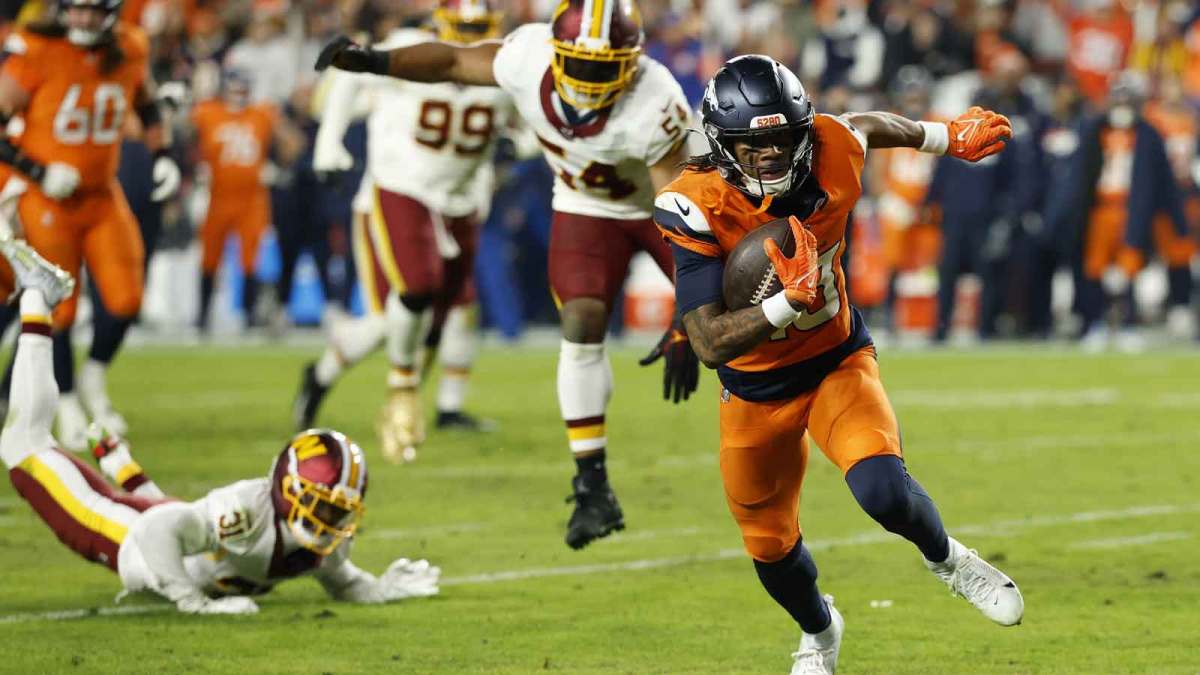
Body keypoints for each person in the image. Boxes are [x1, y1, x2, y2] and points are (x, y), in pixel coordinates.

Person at [653, 55, 1023, 674]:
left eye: (780, 138)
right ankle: (820, 634)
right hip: (752, 390)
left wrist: (943, 138)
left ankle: (951, 562)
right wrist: (780, 305)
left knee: (882, 490)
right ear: (722, 145)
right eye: (752, 144)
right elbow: (710, 343)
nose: (770, 154)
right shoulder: (693, 204)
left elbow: (866, 125)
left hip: (834, 360)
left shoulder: (830, 145)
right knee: (769, 546)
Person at [315, 0, 700, 549]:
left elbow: (679, 208)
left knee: (724, 322)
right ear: (556, 52)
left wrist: (690, 312)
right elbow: (451, 62)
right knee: (581, 322)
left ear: (631, 64)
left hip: (666, 206)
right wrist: (375, 63)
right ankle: (592, 486)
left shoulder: (653, 98)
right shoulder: (527, 57)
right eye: (581, 64)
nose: (590, 80)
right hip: (586, 204)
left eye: (604, 67)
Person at [0, 234, 441, 614]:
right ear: (289, 492)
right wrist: (194, 603)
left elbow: (344, 582)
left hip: (151, 522)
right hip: (121, 535)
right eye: (324, 506)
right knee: (23, 445)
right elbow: (158, 532)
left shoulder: (320, 544)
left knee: (45, 451)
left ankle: (44, 311)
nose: (330, 520)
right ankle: (37, 298)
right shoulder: (246, 511)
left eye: (340, 510)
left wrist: (381, 588)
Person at [296, 0, 514, 463]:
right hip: (400, 188)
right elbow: (351, 73)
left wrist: (526, 146)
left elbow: (534, 117)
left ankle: (346, 381)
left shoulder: (508, 60)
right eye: (464, 28)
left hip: (459, 204)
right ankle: (392, 391)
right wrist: (329, 140)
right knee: (407, 299)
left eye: (480, 28)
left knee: (432, 319)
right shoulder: (408, 49)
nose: (472, 38)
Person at [0, 0, 181, 447]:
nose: (81, 19)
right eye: (74, 9)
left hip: (102, 195)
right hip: (46, 198)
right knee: (58, 308)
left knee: (125, 299)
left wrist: (162, 156)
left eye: (90, 10)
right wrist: (40, 171)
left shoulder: (130, 46)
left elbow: (147, 103)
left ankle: (93, 378)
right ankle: (63, 405)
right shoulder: (39, 48)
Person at [191, 68, 303, 332]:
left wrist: (279, 157)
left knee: (250, 258)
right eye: (235, 86)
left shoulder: (262, 114)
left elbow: (294, 144)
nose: (239, 92)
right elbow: (183, 135)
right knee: (209, 257)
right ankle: (202, 316)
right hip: (216, 195)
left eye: (244, 87)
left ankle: (250, 316)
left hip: (252, 197)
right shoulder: (208, 112)